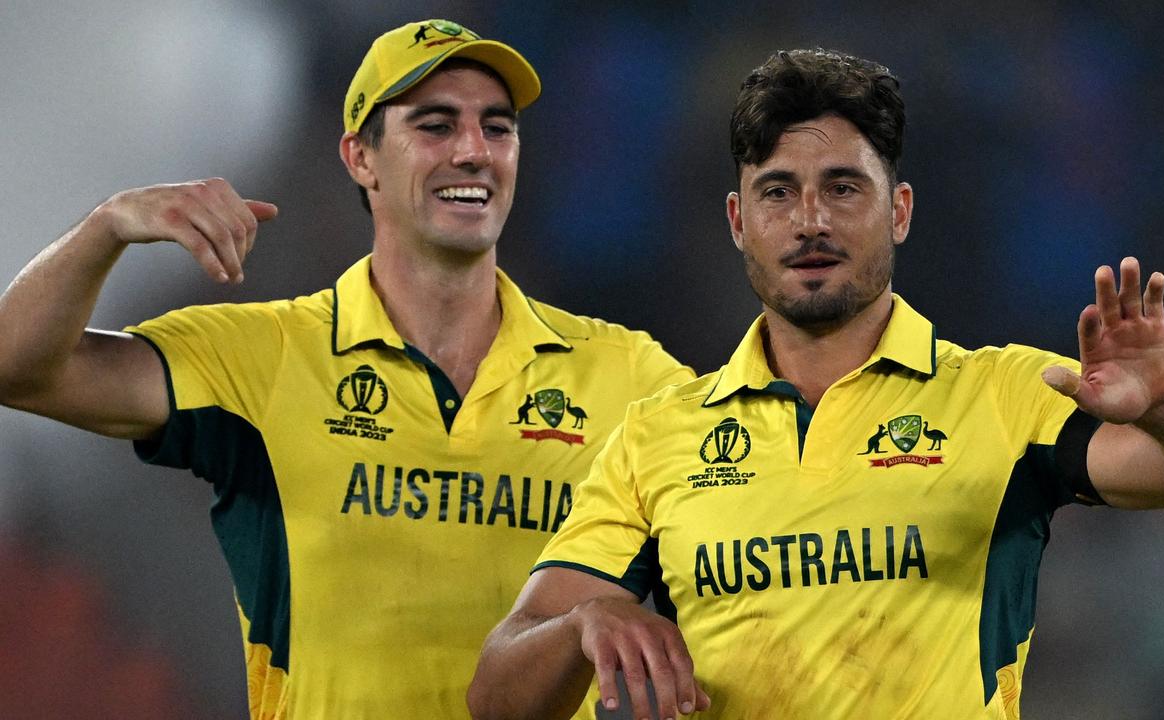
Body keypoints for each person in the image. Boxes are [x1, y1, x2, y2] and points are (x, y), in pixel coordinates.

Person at [466, 48, 1164, 720]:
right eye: (778, 191)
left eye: (844, 187)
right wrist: (584, 622)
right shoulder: (657, 437)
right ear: (738, 221)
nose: (810, 219)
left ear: (901, 211)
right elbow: (497, 695)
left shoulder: (1000, 396)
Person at [0, 18, 691, 719]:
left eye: (497, 128)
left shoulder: (623, 373)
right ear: (361, 159)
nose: (474, 151)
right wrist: (107, 226)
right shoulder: (266, 358)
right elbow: (16, 368)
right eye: (436, 126)